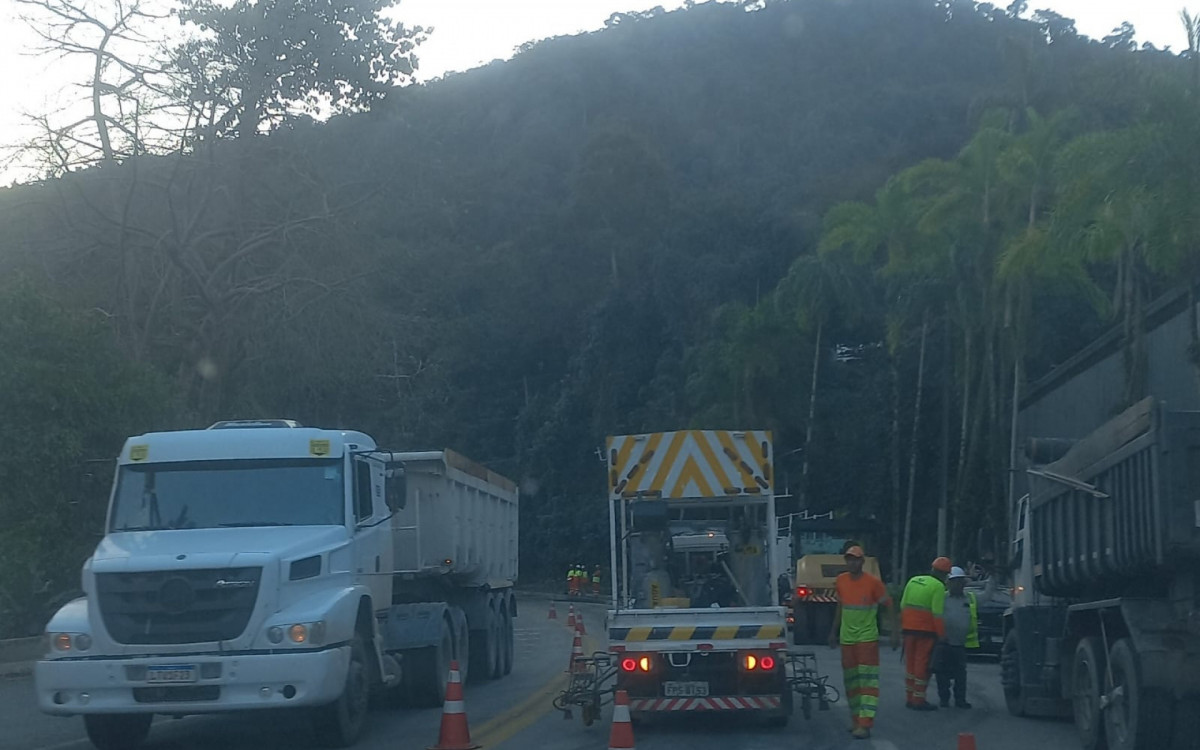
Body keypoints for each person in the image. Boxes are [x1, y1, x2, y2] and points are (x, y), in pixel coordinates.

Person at [828, 545, 898, 740]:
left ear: (862, 561)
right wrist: (833, 632)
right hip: (847, 639)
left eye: (856, 559)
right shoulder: (841, 581)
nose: (852, 563)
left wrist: (894, 633)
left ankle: (865, 724)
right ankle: (856, 720)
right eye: (849, 559)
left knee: (867, 682)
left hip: (867, 639)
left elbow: (889, 605)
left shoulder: (873, 583)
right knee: (851, 682)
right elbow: (840, 607)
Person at [900, 556, 951, 711]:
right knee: (921, 664)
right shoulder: (938, 586)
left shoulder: (913, 580)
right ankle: (919, 699)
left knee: (910, 664)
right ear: (944, 574)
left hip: (908, 629)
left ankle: (909, 698)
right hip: (926, 631)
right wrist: (941, 634)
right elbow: (937, 613)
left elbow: (902, 605)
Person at [935, 566, 978, 708]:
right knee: (942, 673)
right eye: (954, 581)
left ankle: (960, 700)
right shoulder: (941, 597)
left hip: (960, 644)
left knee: (960, 674)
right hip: (944, 642)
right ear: (948, 583)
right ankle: (944, 699)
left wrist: (992, 578)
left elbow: (987, 595)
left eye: (960, 581)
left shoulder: (970, 598)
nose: (957, 585)